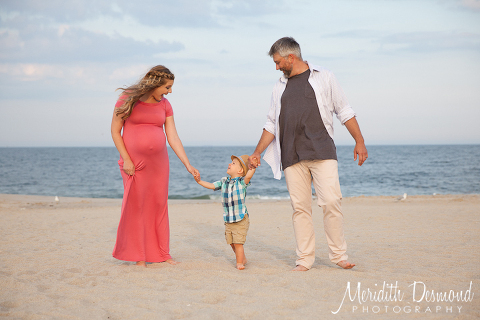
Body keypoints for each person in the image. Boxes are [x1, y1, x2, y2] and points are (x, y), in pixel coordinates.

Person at [249, 37, 368, 271]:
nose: (276, 67)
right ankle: (304, 259)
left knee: (332, 202)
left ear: (291, 57)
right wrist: (257, 152)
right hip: (292, 156)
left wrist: (359, 140)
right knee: (300, 208)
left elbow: (343, 110)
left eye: (278, 62)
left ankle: (339, 256)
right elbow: (271, 123)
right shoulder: (279, 86)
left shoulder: (324, 76)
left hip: (322, 150)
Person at [111, 65, 199, 267]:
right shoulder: (128, 98)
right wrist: (126, 159)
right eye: (168, 87)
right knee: (137, 207)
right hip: (134, 164)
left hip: (159, 164)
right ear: (156, 83)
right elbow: (115, 131)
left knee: (159, 206)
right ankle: (139, 256)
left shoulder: (165, 105)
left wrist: (188, 164)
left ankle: (162, 253)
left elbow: (173, 137)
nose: (170, 91)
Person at [194, 155, 256, 270]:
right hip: (228, 218)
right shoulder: (223, 181)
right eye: (230, 162)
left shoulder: (242, 182)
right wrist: (199, 181)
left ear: (240, 170)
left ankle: (239, 263)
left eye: (233, 163)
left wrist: (253, 167)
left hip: (240, 218)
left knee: (238, 242)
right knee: (232, 242)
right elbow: (212, 185)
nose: (229, 164)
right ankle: (243, 258)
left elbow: (249, 175)